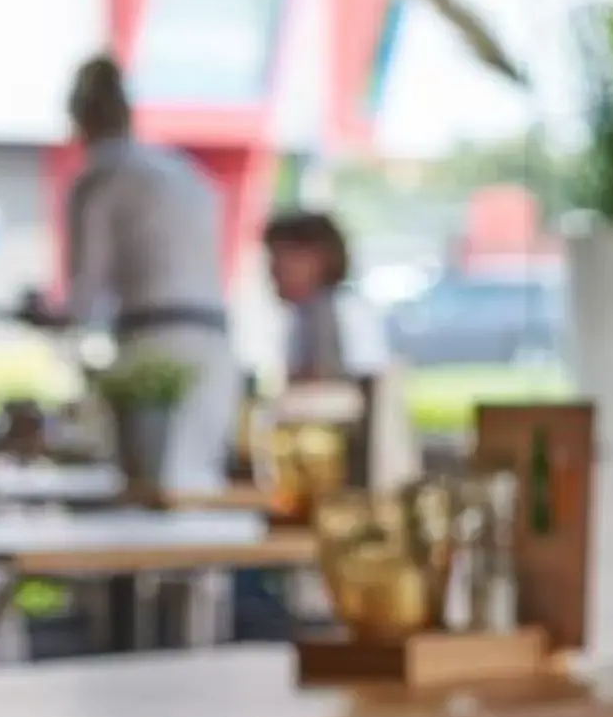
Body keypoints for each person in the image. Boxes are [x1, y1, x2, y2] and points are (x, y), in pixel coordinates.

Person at [34, 55, 241, 494]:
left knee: (146, 491)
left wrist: (42, 315)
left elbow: (83, 300)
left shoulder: (101, 179)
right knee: (198, 490)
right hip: (215, 345)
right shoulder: (183, 172)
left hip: (151, 351)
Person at [261, 210, 390, 384]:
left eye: (282, 256)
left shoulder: (340, 314)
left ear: (320, 258)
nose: (273, 270)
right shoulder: (303, 315)